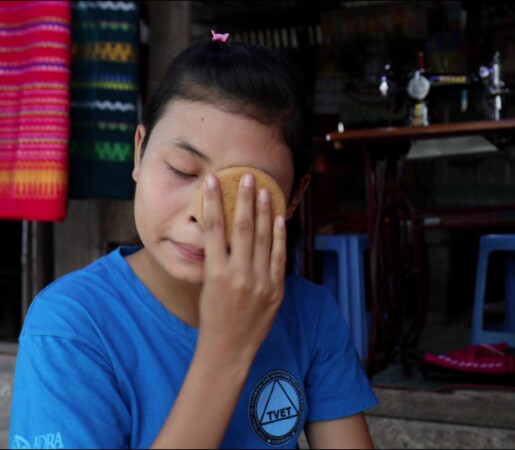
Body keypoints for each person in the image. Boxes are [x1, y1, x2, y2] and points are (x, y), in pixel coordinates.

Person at [9, 31, 378, 449]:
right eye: (184, 170)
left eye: (244, 191)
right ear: (139, 151)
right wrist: (226, 351)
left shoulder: (310, 316)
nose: (205, 214)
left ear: (293, 199)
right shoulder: (72, 326)